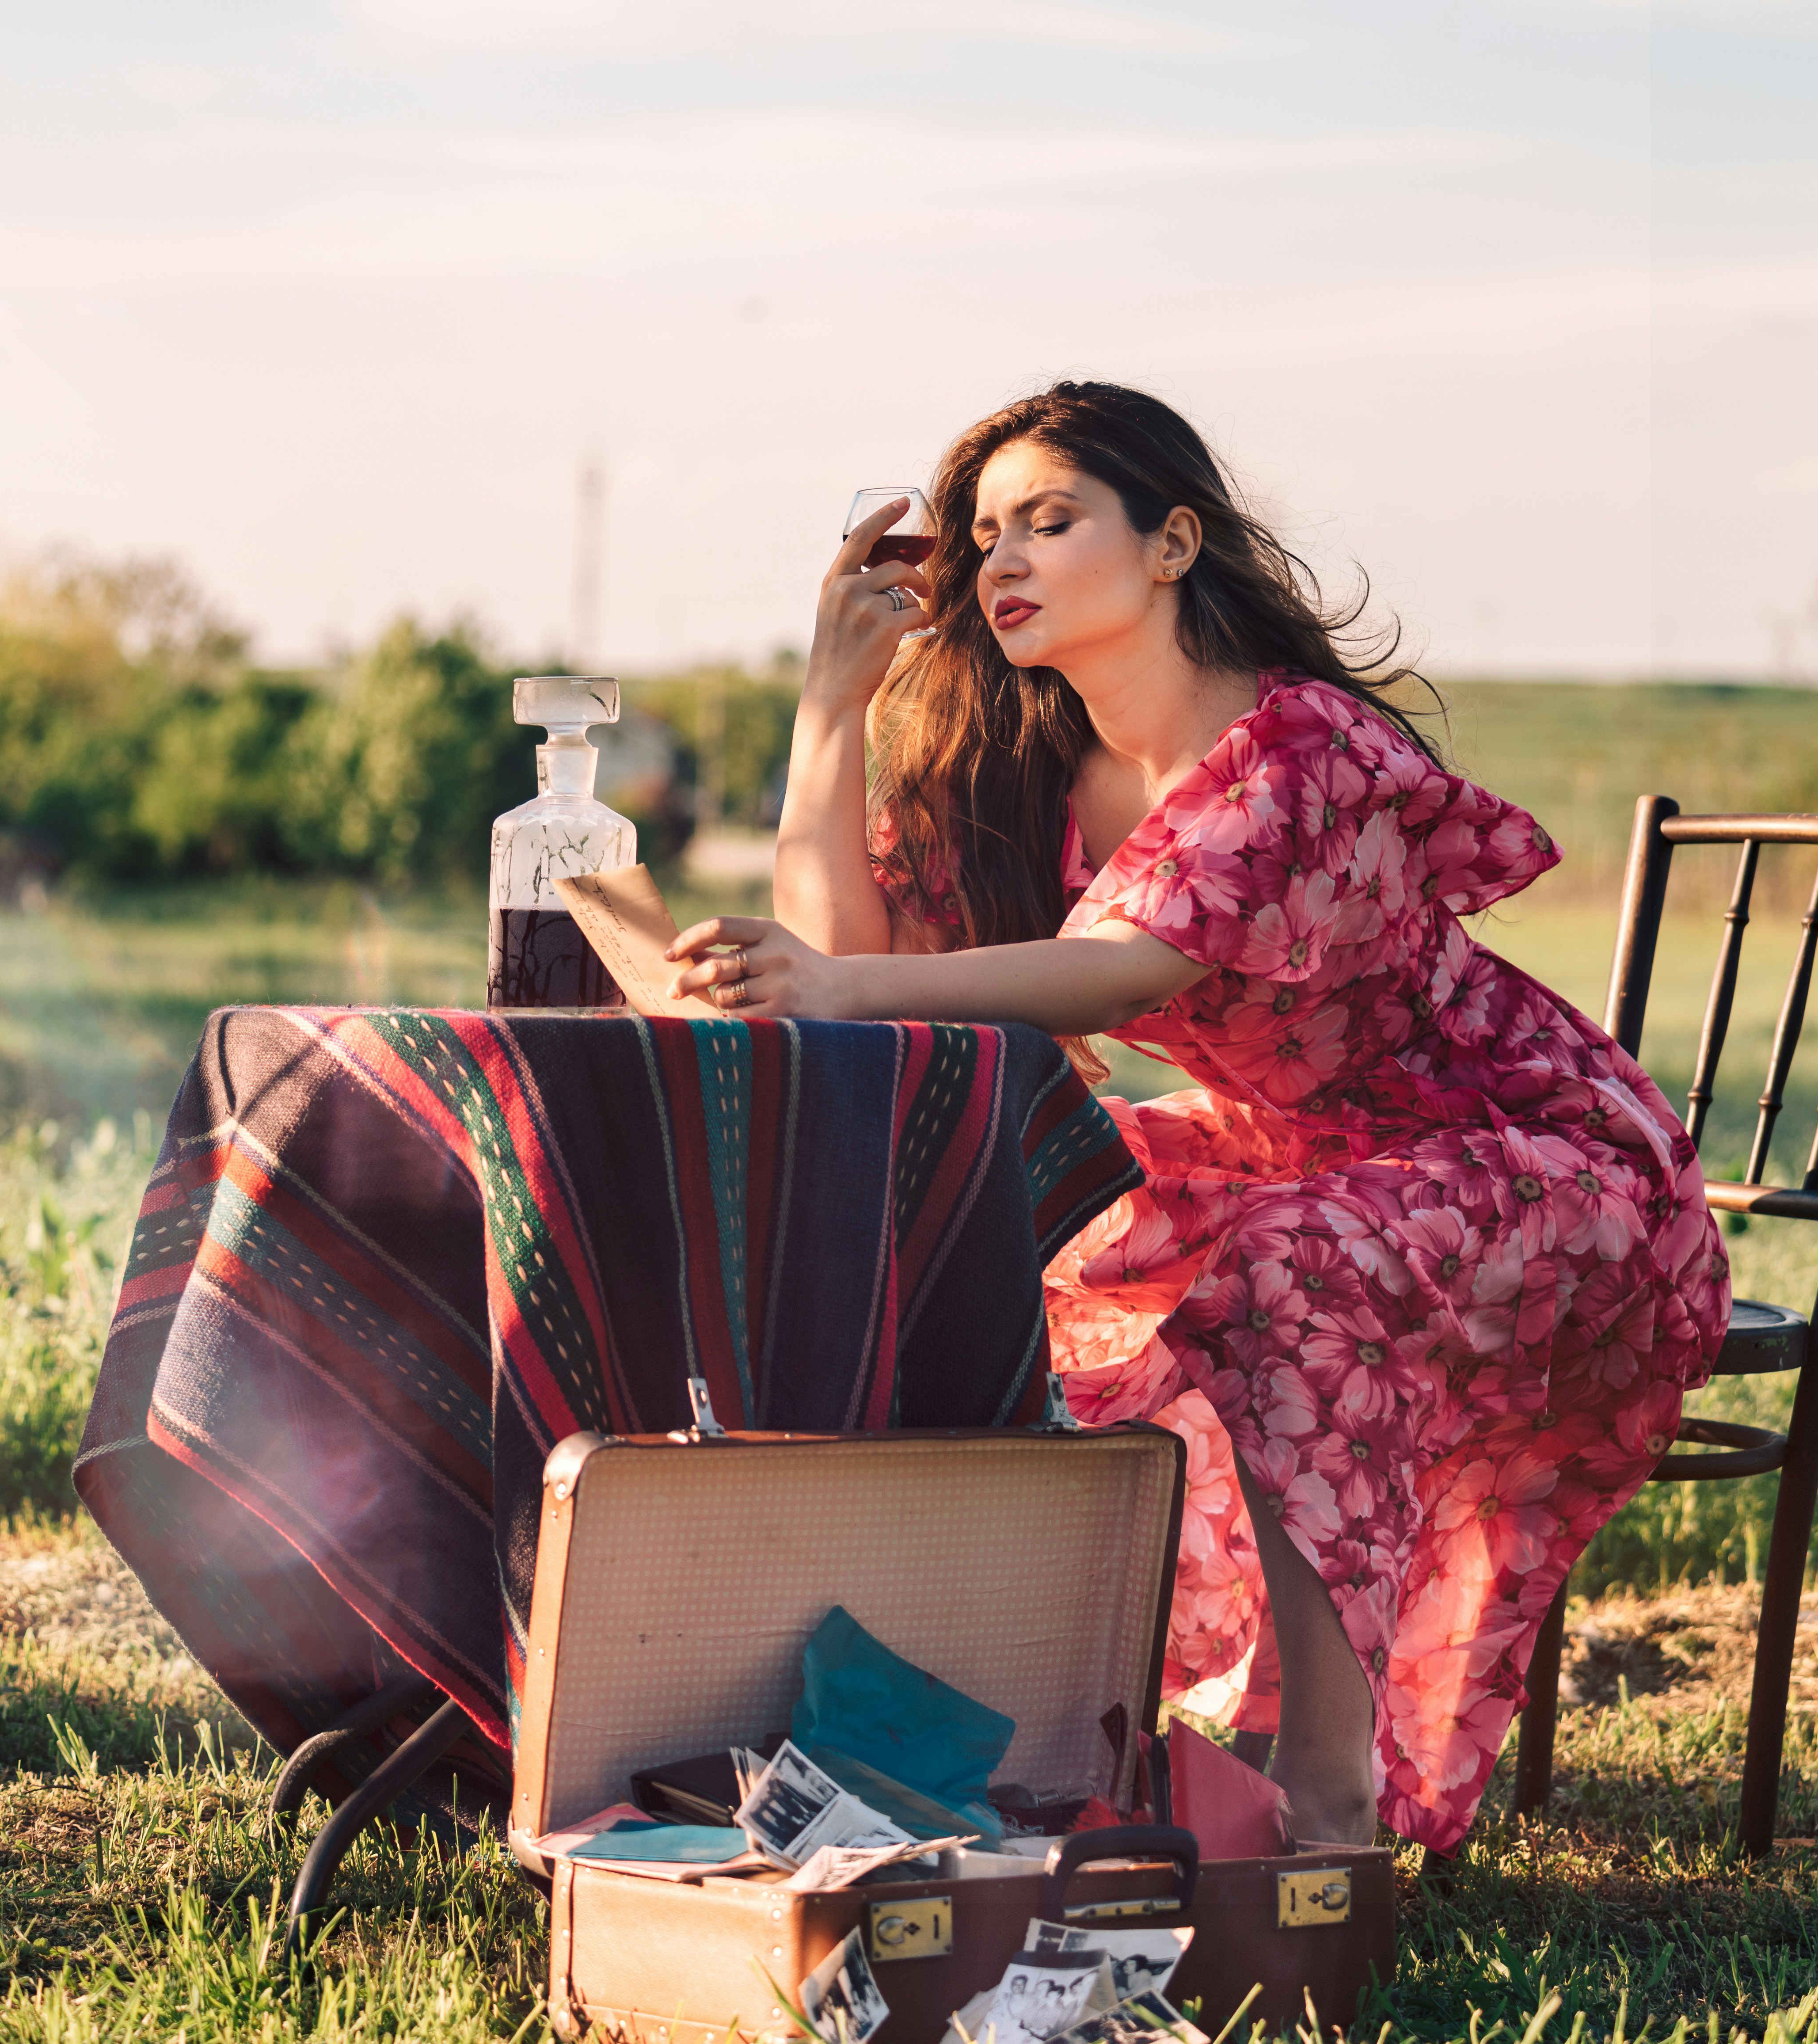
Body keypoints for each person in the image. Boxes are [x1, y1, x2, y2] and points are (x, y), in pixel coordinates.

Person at [666, 382, 1729, 1852]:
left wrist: (834, 980)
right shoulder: (1024, 766)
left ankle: (1326, 1797)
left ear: (1170, 546)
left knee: (1297, 1260)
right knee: (993, 1218)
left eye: (1051, 521)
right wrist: (829, 707)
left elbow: (1131, 967)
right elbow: (852, 976)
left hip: (1549, 1165)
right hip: (1304, 1158)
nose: (1005, 563)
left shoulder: (1298, 749)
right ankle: (1003, 1711)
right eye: (984, 537)